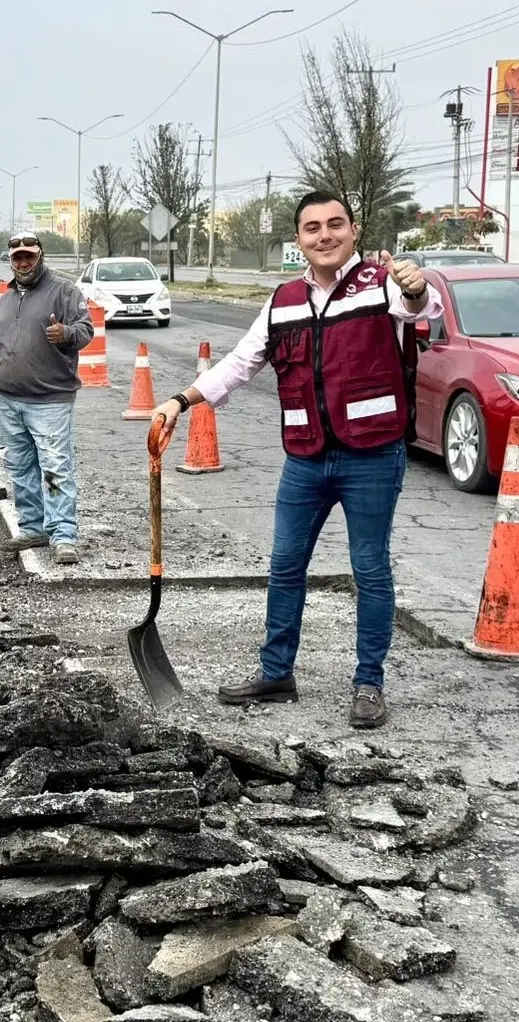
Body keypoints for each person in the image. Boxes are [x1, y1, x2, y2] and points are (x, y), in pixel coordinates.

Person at [152, 191, 443, 730]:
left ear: (354, 231)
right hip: (307, 458)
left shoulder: (382, 286)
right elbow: (241, 364)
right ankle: (276, 673)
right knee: (286, 567)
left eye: (335, 225)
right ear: (299, 241)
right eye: (312, 228)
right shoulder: (283, 299)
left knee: (370, 570)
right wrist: (180, 401)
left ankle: (368, 684)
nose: (324, 235)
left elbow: (422, 309)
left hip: (371, 456)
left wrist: (417, 286)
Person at [0, 233, 92, 565]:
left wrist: (65, 334)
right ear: (11, 260)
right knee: (21, 467)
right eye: (18, 258)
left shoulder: (64, 291)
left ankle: (63, 535)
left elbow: (86, 331)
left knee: (55, 468)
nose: (24, 262)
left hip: (50, 400)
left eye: (29, 256)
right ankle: (33, 527)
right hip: (10, 399)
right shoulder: (8, 297)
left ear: (41, 256)